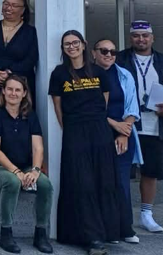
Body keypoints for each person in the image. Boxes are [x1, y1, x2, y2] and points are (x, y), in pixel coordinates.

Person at [48, 30, 122, 255]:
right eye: (66, 44)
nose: (71, 47)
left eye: (75, 43)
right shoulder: (59, 74)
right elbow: (58, 109)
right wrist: (72, 129)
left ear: (83, 45)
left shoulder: (99, 72)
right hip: (74, 131)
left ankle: (107, 231)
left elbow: (104, 103)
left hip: (99, 131)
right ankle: (90, 237)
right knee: (82, 183)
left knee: (104, 180)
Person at [115, 19, 163, 233]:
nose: (140, 39)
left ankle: (146, 213)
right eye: (136, 35)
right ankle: (122, 213)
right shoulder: (120, 60)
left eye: (145, 36)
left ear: (152, 37)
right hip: (127, 125)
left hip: (155, 124)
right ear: (130, 37)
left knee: (151, 171)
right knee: (123, 170)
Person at [0, 75, 54, 254]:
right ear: (4, 91)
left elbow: (38, 148)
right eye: (10, 89)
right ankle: (6, 233)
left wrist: (36, 171)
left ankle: (41, 233)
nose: (13, 93)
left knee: (45, 184)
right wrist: (16, 171)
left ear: (24, 94)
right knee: (12, 182)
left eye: (17, 90)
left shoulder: (30, 115)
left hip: (26, 166)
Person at [93, 39, 142, 244]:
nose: (109, 55)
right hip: (99, 132)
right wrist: (115, 125)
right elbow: (91, 109)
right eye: (104, 51)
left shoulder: (124, 74)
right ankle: (107, 230)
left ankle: (125, 228)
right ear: (93, 53)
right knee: (101, 182)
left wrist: (124, 132)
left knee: (121, 182)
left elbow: (132, 105)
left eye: (113, 52)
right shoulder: (89, 75)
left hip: (124, 134)